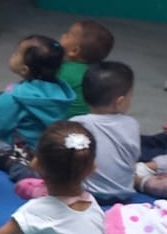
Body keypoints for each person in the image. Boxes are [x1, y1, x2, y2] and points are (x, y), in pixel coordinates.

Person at [55, 61, 140, 204]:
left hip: (86, 194)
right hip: (123, 194)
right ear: (120, 102)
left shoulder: (76, 123)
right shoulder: (132, 124)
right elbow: (133, 157)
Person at [0, 35, 73, 168]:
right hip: (47, 152)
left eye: (16, 53)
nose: (13, 54)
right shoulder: (61, 93)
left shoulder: (13, 96)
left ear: (24, 69)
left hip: (22, 153)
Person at [56, 19, 116, 117]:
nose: (63, 35)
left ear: (74, 51)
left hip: (65, 122)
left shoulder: (63, 70)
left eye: (67, 35)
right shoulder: (95, 72)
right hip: (89, 121)